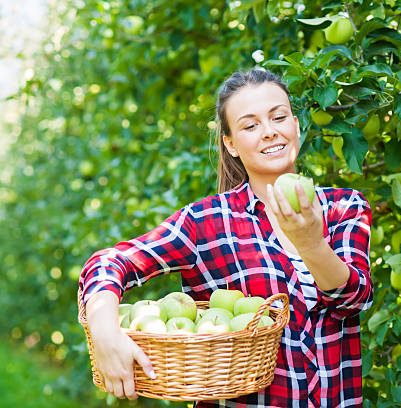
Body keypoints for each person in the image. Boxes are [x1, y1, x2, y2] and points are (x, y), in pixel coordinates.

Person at [79, 68, 373, 407]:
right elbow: (109, 262)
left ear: (295, 124)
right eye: (250, 125)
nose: (269, 132)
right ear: (231, 144)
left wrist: (310, 243)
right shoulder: (206, 222)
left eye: (278, 117)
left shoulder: (343, 207)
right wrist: (104, 329)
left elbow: (353, 300)